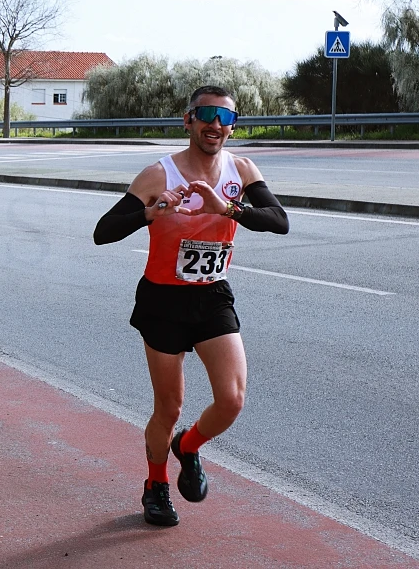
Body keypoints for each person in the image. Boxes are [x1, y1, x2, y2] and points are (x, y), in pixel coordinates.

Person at [93, 85, 289, 527]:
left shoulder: (242, 169)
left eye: (225, 118)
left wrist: (229, 209)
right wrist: (151, 213)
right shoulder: (157, 176)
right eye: (206, 115)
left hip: (212, 295)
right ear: (188, 120)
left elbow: (279, 221)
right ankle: (156, 485)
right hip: (163, 299)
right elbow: (102, 232)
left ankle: (189, 446)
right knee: (169, 407)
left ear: (233, 126)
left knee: (232, 400)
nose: (215, 125)